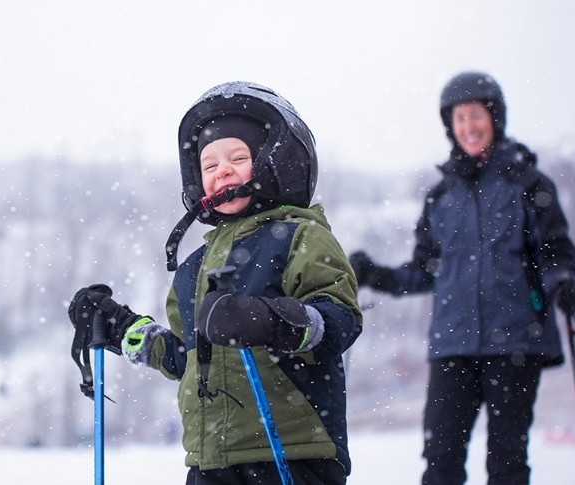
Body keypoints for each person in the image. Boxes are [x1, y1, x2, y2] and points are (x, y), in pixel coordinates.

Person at [69, 81, 362, 484]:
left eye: (238, 157)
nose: (222, 170)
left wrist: (271, 320)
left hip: (291, 454)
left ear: (275, 163)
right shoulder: (193, 268)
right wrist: (122, 328)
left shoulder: (300, 236)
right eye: (209, 166)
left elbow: (338, 320)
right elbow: (184, 357)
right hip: (210, 461)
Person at [349, 71, 575, 484]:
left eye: (476, 115)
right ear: (450, 126)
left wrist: (563, 281)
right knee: (440, 460)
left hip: (515, 341)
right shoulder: (441, 196)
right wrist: (376, 275)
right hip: (453, 345)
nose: (468, 127)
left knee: (507, 462)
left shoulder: (528, 184)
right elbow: (424, 270)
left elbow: (554, 249)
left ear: (495, 118)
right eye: (459, 118)